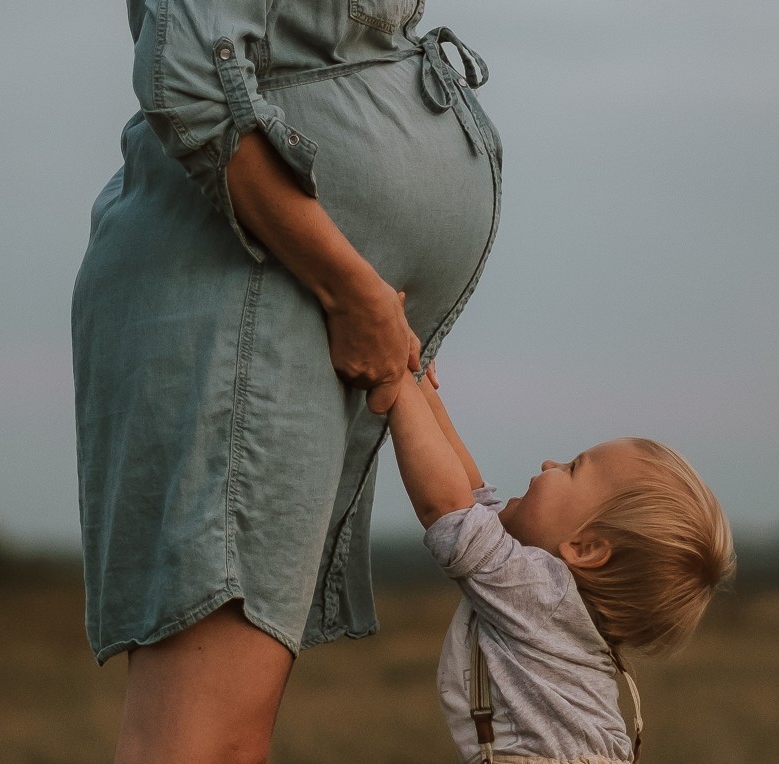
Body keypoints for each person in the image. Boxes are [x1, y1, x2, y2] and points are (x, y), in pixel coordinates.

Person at [70, 1, 501, 761]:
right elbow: (191, 79)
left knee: (233, 734)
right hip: (248, 295)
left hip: (282, 299)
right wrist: (350, 290)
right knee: (199, 743)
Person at [386, 366, 736, 764]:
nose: (549, 464)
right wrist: (423, 393)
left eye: (571, 469)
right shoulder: (558, 608)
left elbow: (448, 507)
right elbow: (470, 501)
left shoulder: (542, 596)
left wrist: (392, 372)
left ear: (584, 548)